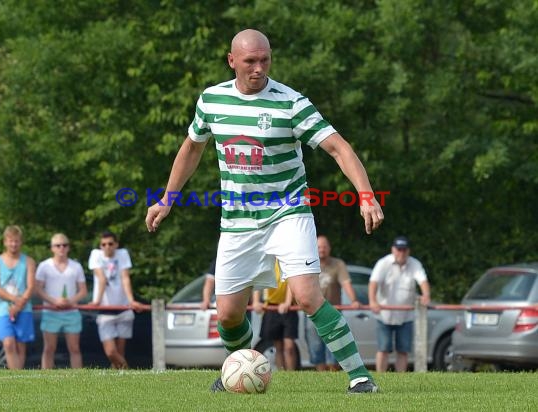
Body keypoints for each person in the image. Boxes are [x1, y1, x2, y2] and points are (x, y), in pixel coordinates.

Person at [145, 29, 384, 394]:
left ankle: (360, 377)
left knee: (306, 295)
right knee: (227, 314)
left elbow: (339, 148)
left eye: (264, 60)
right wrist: (167, 199)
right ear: (231, 61)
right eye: (250, 61)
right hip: (238, 222)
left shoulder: (291, 103)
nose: (258, 69)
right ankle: (242, 368)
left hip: (289, 212)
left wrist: (366, 195)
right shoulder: (212, 101)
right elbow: (192, 149)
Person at [368, 236, 430, 372]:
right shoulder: (383, 263)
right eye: (399, 249)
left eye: (404, 249)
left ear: (408, 251)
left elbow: (423, 281)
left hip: (405, 316)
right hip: (384, 315)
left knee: (403, 350)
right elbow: (373, 283)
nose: (401, 252)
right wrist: (373, 301)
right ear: (393, 249)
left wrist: (426, 295)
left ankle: (400, 379)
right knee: (383, 348)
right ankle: (380, 377)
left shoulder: (415, 264)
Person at [88, 231, 144, 369]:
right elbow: (101, 278)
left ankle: (118, 381)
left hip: (122, 307)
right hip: (105, 309)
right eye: (104, 244)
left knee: (120, 351)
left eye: (110, 244)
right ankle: (128, 372)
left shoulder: (122, 254)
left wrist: (131, 301)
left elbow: (125, 278)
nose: (107, 247)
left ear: (116, 245)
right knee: (111, 352)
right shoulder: (96, 255)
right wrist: (97, 301)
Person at [305, 235, 361, 371]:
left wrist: (354, 300)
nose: (322, 249)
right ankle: (321, 377)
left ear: (329, 248)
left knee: (335, 347)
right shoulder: (307, 262)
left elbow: (346, 283)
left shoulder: (338, 264)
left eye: (324, 246)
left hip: (332, 312)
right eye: (318, 247)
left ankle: (333, 375)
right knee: (316, 348)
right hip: (312, 314)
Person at [35, 233, 88, 369]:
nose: (61, 248)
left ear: (68, 247)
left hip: (71, 312)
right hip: (50, 311)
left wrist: (70, 301)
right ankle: (45, 381)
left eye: (64, 245)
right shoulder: (44, 266)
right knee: (49, 348)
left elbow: (83, 290)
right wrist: (54, 301)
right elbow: (38, 289)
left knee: (75, 348)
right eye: (58, 245)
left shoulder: (76, 266)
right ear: (52, 248)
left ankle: (78, 381)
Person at [0, 225, 36, 369]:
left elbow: (31, 286)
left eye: (16, 241)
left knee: (21, 346)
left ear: (21, 242)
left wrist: (18, 305)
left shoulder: (28, 261)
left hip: (24, 309)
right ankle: (14, 378)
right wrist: (14, 300)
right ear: (5, 242)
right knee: (9, 344)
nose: (13, 244)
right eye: (10, 241)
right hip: (2, 309)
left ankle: (17, 380)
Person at [252, 261, 297, 371]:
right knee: (278, 347)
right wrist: (256, 301)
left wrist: (287, 302)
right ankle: (282, 374)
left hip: (289, 308)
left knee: (289, 346)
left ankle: (292, 375)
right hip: (271, 307)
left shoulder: (289, 260)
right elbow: (258, 280)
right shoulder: (267, 260)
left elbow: (292, 282)